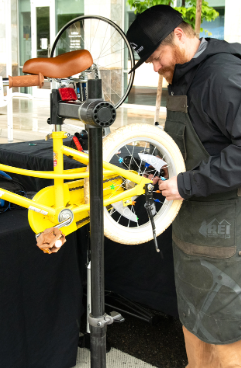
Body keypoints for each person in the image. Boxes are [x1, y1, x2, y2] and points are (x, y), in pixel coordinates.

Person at [129, 5, 241, 365]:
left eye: (156, 57)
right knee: (192, 322)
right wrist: (160, 167)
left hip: (225, 231)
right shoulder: (184, 75)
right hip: (190, 232)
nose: (155, 67)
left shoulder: (221, 76)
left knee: (224, 336)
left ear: (179, 35)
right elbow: (196, 143)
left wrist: (188, 182)